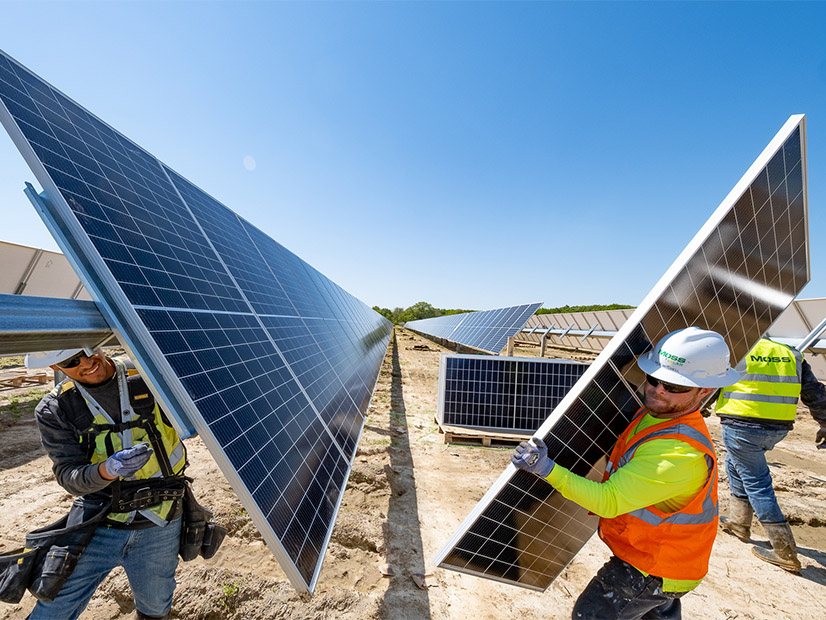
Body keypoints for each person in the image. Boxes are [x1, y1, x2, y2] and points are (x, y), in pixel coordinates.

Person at [512, 327, 741, 620]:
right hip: (662, 557)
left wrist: (546, 470)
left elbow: (608, 501)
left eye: (675, 386)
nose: (659, 389)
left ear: (705, 391)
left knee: (591, 614)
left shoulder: (678, 454)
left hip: (654, 568)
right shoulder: (654, 414)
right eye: (654, 378)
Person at [24, 347, 188, 620]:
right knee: (53, 611)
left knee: (156, 608)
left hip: (161, 521)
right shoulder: (55, 408)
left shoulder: (151, 376)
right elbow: (68, 475)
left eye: (88, 351)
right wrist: (106, 470)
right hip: (99, 523)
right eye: (72, 361)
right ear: (55, 368)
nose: (88, 363)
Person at [715, 337, 826, 572]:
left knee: (756, 482)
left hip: (741, 425)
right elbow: (814, 392)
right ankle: (739, 522)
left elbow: (709, 382)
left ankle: (783, 549)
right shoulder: (790, 353)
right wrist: (825, 422)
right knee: (735, 465)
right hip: (778, 427)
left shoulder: (735, 349)